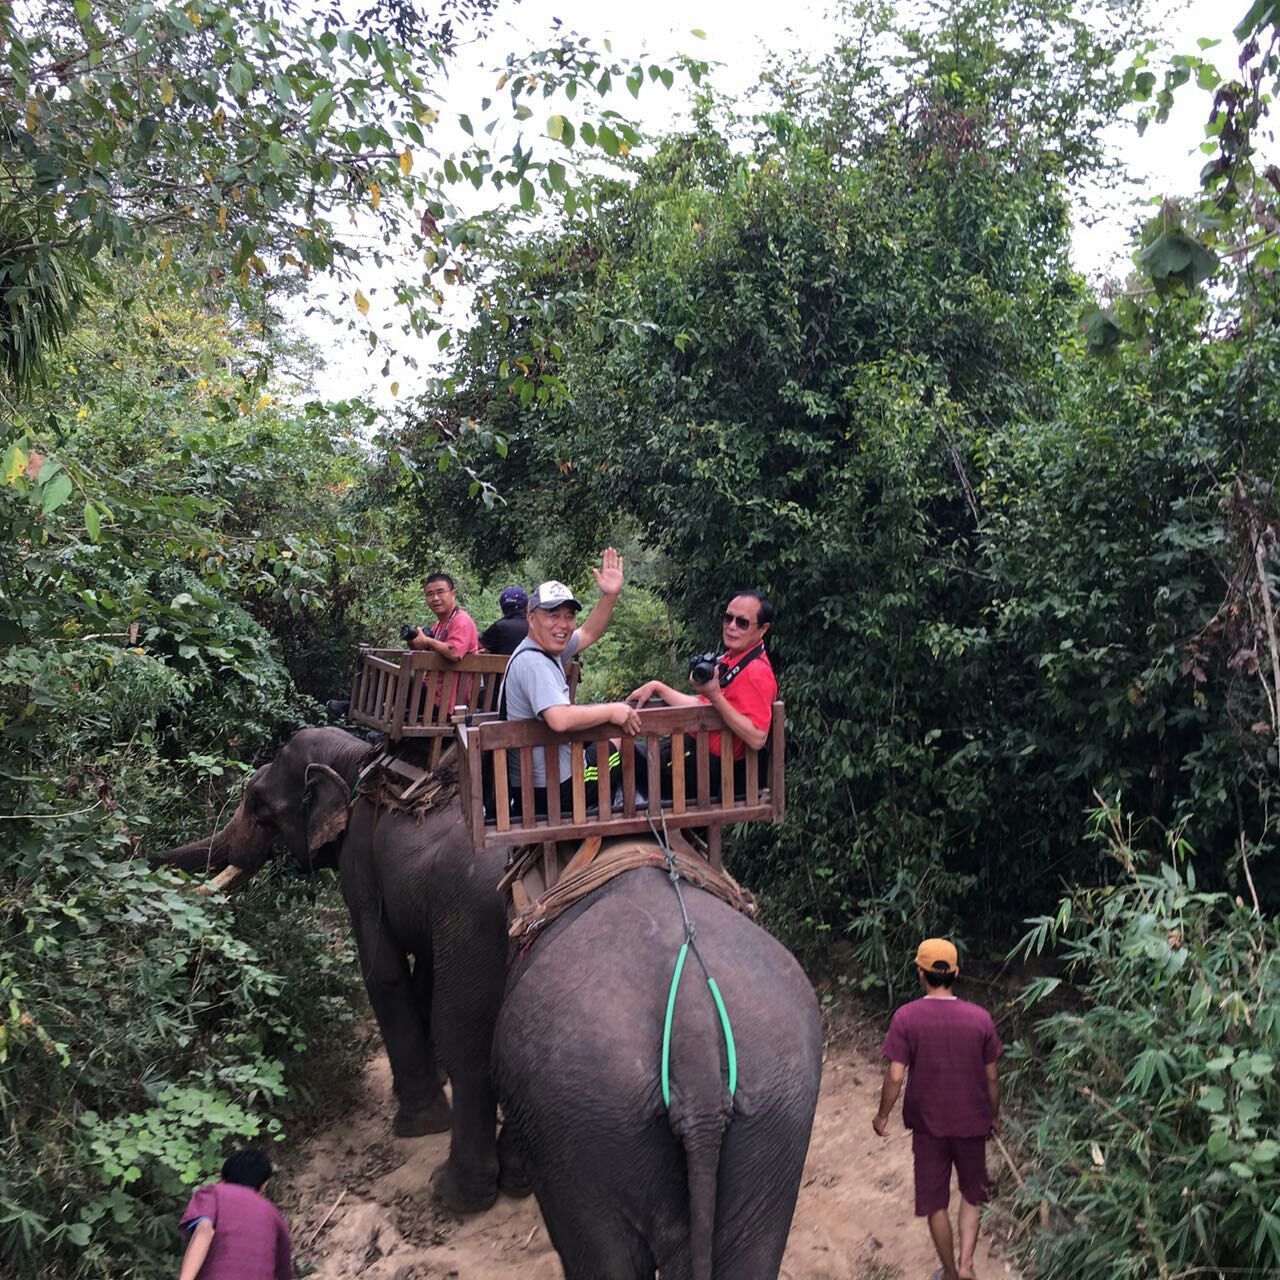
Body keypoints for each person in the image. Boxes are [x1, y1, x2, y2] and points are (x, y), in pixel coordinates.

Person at [872, 939, 1003, 1280]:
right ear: (956, 973)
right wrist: (994, 1115)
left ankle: (948, 1272)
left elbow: (895, 1075)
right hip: (973, 1124)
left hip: (929, 1128)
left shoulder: (907, 1017)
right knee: (972, 1195)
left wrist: (883, 1114)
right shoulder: (980, 1019)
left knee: (935, 1204)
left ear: (920, 973)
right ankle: (967, 1265)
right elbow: (992, 1078)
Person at [500, 549, 640, 814]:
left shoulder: (541, 649)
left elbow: (588, 632)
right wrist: (613, 710)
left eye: (568, 616)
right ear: (531, 617)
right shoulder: (535, 663)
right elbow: (560, 719)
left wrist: (610, 595)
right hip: (553, 792)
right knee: (616, 738)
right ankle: (609, 813)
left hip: (535, 783)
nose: (563, 624)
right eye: (553, 615)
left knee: (602, 736)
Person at [625, 590, 778, 795]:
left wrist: (715, 695)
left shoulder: (756, 672)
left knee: (622, 755)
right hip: (695, 757)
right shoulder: (733, 658)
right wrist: (658, 687)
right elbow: (704, 705)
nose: (732, 626)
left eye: (742, 623)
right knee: (627, 756)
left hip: (713, 773)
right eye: (728, 618)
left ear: (763, 629)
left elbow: (758, 737)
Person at [177, 1147, 292, 1280]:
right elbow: (284, 1272)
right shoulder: (274, 1215)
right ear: (263, 1185)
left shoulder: (213, 1193)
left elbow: (204, 1231)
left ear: (222, 1178)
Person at [404, 572, 479, 721]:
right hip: (434, 694)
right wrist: (415, 642)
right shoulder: (439, 624)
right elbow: (430, 651)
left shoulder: (461, 620)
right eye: (430, 594)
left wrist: (428, 641)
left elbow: (455, 652)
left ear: (453, 594)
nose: (435, 598)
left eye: (440, 592)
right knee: (396, 679)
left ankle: (347, 707)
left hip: (447, 704)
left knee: (398, 679)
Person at [478, 586, 529, 656]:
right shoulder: (535, 626)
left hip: (502, 666)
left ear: (502, 607)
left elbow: (478, 646)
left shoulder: (498, 627)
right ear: (526, 607)